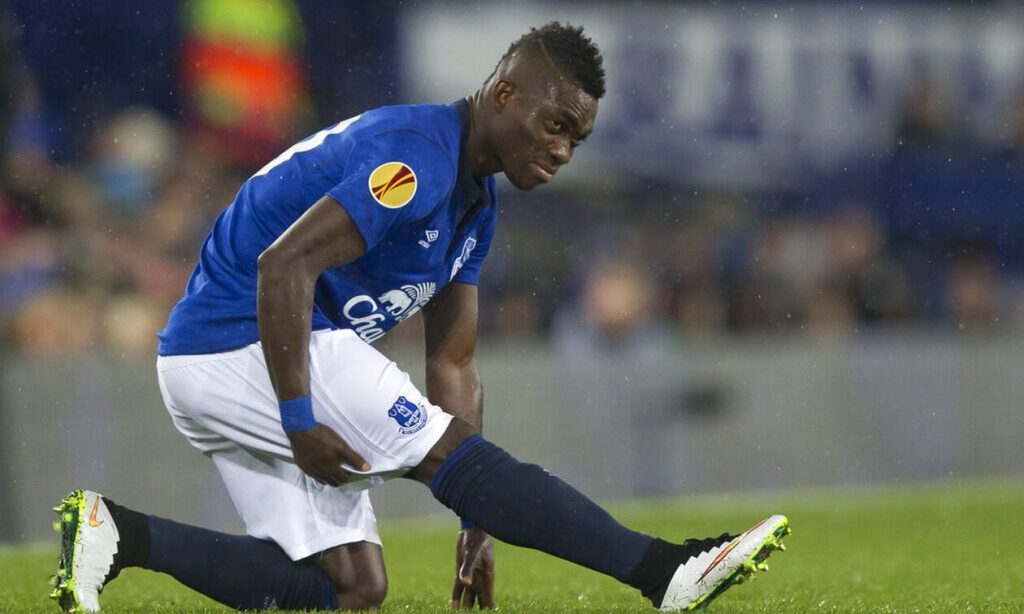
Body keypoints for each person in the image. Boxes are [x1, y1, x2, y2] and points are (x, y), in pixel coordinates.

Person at [50, 23, 789, 613]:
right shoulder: (417, 160)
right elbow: (283, 266)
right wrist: (298, 417)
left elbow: (453, 362)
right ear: (504, 94)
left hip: (230, 356)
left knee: (350, 588)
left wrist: (476, 521)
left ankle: (118, 535)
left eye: (577, 138)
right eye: (556, 124)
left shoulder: (475, 203)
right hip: (242, 341)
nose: (563, 149)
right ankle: (663, 572)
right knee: (443, 458)